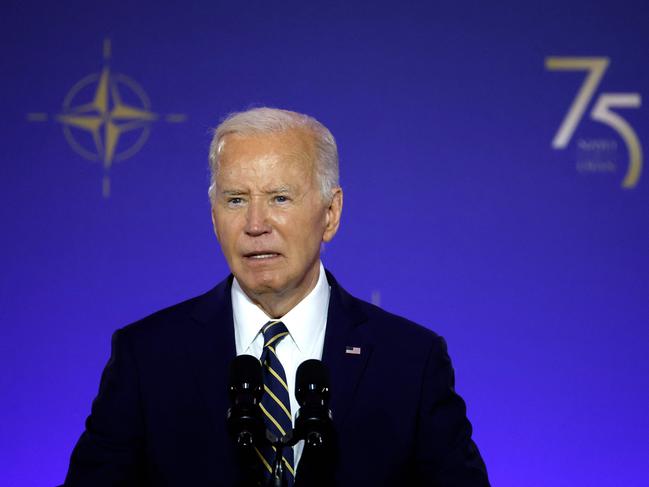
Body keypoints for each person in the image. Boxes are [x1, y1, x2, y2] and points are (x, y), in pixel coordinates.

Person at [64, 107, 490, 486]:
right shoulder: (148, 356)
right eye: (235, 200)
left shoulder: (410, 362)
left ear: (331, 213)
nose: (255, 224)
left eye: (279, 198)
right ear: (214, 219)